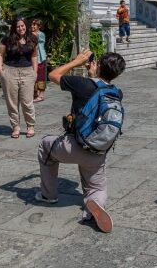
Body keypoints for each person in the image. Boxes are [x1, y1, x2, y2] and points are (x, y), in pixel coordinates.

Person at [36, 50, 127, 233]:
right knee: (96, 187)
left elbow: (53, 75)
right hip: (97, 152)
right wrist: (94, 76)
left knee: (45, 144)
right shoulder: (116, 93)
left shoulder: (82, 84)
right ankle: (94, 205)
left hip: (72, 147)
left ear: (98, 65)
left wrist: (76, 62)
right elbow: (97, 90)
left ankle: (49, 195)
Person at [0, 17, 39, 138]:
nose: (21, 28)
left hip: (27, 72)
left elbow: (34, 56)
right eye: (18, 26)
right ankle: (15, 127)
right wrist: (0, 70)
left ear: (26, 26)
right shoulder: (7, 39)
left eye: (23, 25)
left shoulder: (32, 39)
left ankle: (30, 125)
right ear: (14, 28)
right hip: (10, 72)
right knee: (12, 102)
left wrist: (35, 72)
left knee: (27, 101)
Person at [32, 19, 48, 103]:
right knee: (34, 76)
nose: (32, 26)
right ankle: (35, 94)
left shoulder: (41, 34)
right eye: (32, 25)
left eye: (35, 25)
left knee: (41, 76)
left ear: (39, 26)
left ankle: (41, 95)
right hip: (33, 58)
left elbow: (36, 37)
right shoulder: (32, 34)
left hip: (41, 58)